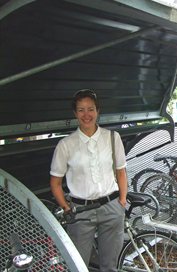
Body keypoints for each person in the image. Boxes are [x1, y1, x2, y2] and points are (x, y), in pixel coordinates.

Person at [50, 89, 128, 271]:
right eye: (81, 110)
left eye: (91, 109)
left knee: (110, 266)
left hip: (111, 207)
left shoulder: (112, 138)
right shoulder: (66, 144)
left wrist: (122, 200)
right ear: (75, 113)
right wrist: (67, 208)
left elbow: (121, 171)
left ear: (98, 111)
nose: (87, 115)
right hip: (80, 211)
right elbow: (55, 183)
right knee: (78, 265)